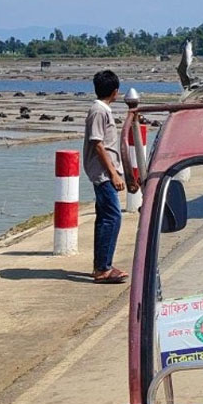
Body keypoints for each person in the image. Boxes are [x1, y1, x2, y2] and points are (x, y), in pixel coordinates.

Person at [83, 70, 135, 284]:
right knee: (112, 217)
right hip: (103, 174)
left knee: (104, 218)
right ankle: (103, 268)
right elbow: (98, 144)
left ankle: (101, 265)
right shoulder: (99, 111)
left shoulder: (102, 110)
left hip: (106, 172)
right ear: (115, 92)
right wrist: (113, 174)